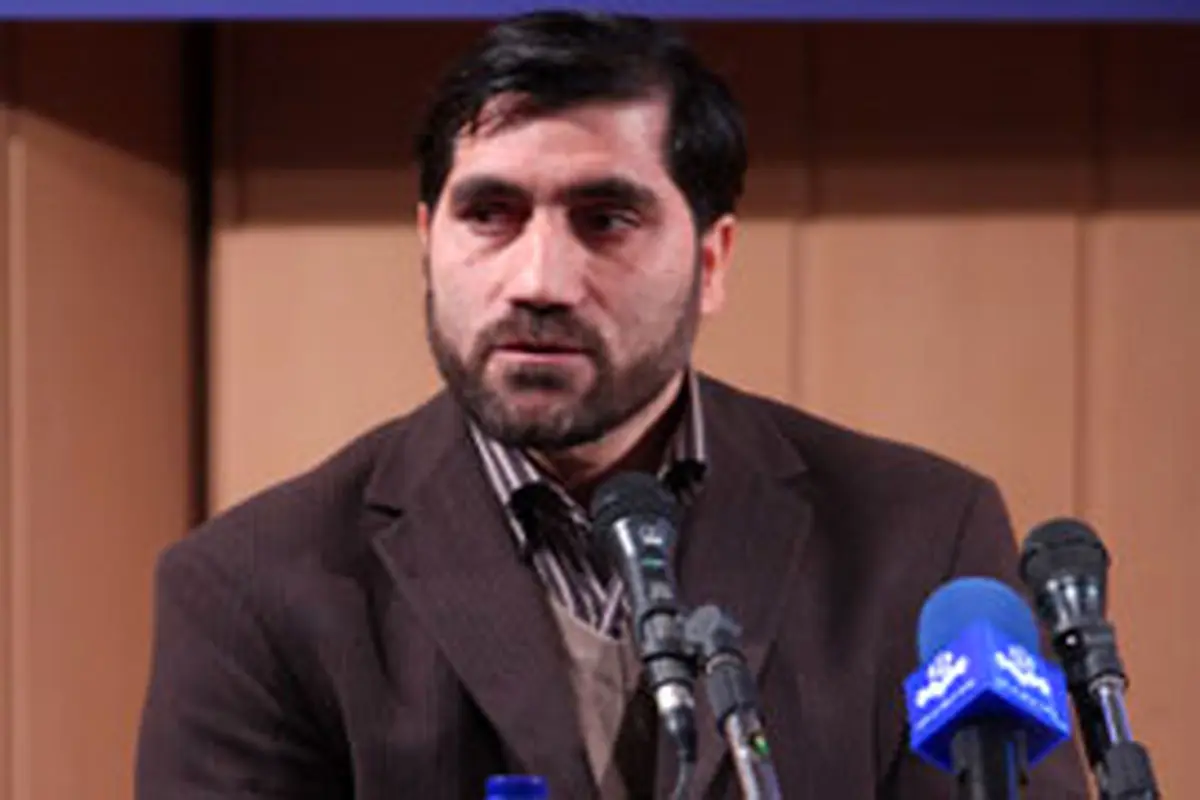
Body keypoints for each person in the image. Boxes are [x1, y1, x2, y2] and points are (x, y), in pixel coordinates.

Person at [134, 10, 1090, 799]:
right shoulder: (254, 590)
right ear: (427, 242)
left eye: (606, 220)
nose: (538, 280)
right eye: (489, 215)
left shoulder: (919, 540)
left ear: (711, 259)